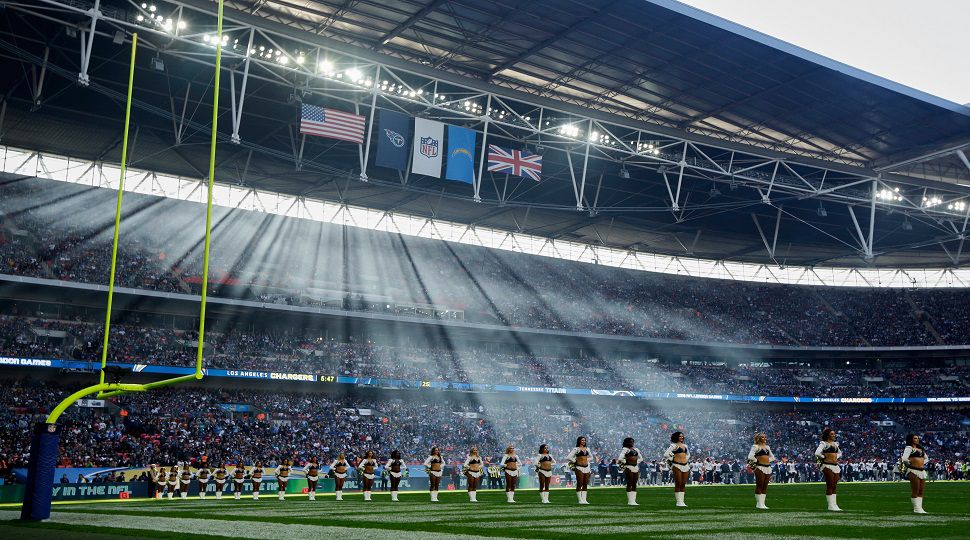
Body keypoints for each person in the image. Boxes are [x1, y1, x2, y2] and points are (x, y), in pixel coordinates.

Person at [815, 427, 843, 511]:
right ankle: (830, 505)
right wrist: (824, 457)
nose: (834, 435)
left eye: (834, 434)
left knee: (834, 485)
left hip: (835, 465)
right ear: (827, 435)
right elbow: (817, 453)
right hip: (826, 465)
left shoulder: (835, 444)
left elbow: (840, 453)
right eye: (832, 434)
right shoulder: (823, 443)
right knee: (830, 485)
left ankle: (835, 505)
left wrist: (836, 457)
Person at [747, 433, 776, 510]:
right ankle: (759, 504)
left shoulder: (767, 447)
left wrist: (767, 460)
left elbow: (773, 457)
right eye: (762, 437)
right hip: (759, 467)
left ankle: (763, 504)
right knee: (760, 485)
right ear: (758, 438)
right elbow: (750, 457)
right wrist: (758, 461)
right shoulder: (755, 447)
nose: (765, 438)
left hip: (768, 467)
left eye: (765, 437)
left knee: (765, 486)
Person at [900, 434, 928, 514]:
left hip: (922, 471)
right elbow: (904, 458)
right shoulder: (909, 448)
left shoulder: (921, 449)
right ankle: (916, 508)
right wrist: (909, 464)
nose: (917, 439)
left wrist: (922, 463)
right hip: (913, 470)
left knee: (921, 491)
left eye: (918, 438)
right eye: (915, 438)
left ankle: (920, 508)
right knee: (915, 490)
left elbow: (926, 458)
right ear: (911, 439)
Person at [664, 431, 690, 507]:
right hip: (677, 465)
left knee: (683, 483)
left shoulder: (685, 446)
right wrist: (672, 458)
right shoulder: (673, 445)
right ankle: (678, 502)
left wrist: (685, 459)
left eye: (682, 436)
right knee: (678, 483)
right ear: (676, 437)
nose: (681, 437)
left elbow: (688, 454)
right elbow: (666, 454)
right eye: (680, 436)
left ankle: (682, 502)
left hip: (685, 465)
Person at [566, 436, 593, 504]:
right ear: (579, 441)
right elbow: (568, 457)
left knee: (585, 484)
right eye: (582, 440)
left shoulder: (587, 449)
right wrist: (575, 461)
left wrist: (586, 460)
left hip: (586, 468)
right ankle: (580, 500)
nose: (584, 441)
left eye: (584, 440)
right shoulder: (576, 449)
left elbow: (592, 457)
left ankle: (584, 500)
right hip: (579, 467)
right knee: (580, 483)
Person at [618, 437, 643, 506]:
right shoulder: (625, 449)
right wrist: (627, 462)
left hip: (635, 467)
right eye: (630, 441)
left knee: (634, 483)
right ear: (627, 442)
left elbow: (641, 458)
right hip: (629, 467)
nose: (631, 443)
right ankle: (630, 501)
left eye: (632, 441)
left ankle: (633, 501)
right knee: (629, 483)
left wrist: (635, 462)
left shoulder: (636, 449)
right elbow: (620, 458)